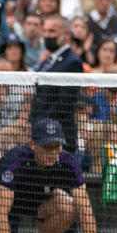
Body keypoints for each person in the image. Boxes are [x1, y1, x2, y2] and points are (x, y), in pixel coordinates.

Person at [30, 16, 82, 154]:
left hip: (60, 136)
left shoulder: (72, 62)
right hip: (41, 134)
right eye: (45, 31)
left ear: (65, 35)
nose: (47, 35)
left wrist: (40, 121)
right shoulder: (47, 60)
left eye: (52, 31)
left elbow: (65, 102)